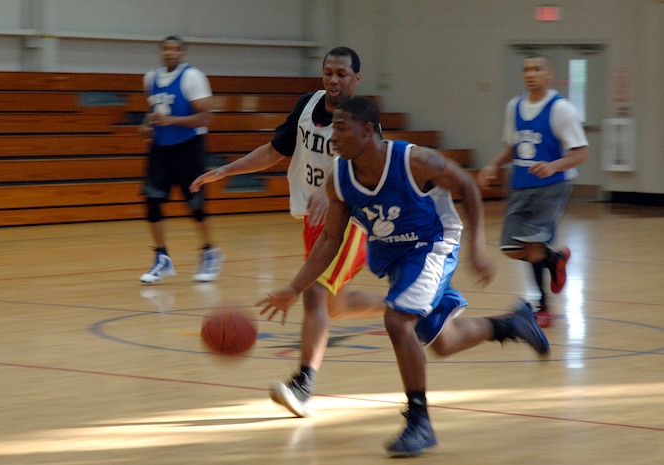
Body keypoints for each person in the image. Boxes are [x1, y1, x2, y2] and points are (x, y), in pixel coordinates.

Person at [257, 97, 550, 457]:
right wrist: (294, 287)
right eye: (332, 128)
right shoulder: (340, 179)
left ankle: (419, 421)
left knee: (397, 320)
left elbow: (468, 186)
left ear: (367, 131)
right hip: (396, 255)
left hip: (434, 243)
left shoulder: (415, 161)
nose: (333, 137)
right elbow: (331, 240)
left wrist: (477, 246)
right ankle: (513, 324)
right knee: (443, 341)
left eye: (341, 128)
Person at [190, 47, 384, 417]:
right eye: (328, 71)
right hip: (315, 220)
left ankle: (303, 383)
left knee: (314, 294)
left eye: (342, 73)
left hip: (354, 221)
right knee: (332, 304)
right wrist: (226, 170)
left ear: (357, 79)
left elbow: (366, 170)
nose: (333, 79)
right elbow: (275, 150)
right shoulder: (307, 106)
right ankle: (417, 307)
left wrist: (333, 191)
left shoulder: (364, 119)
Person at [477, 54, 589, 327]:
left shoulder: (560, 108)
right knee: (511, 247)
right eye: (526, 69)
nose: (531, 74)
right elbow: (514, 146)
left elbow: (581, 153)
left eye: (537, 69)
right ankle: (557, 257)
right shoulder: (514, 106)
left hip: (552, 186)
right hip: (520, 185)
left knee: (533, 245)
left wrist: (553, 166)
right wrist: (493, 164)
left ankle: (542, 307)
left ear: (549, 74)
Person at [139, 35, 224, 284]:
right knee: (152, 202)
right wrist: (146, 125)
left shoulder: (192, 77)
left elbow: (206, 116)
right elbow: (153, 112)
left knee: (195, 205)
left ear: (182, 53)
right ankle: (162, 258)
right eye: (166, 49)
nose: (170, 53)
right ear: (161, 52)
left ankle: (210, 252)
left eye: (175, 49)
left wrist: (173, 121)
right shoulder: (150, 78)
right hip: (160, 148)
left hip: (188, 147)